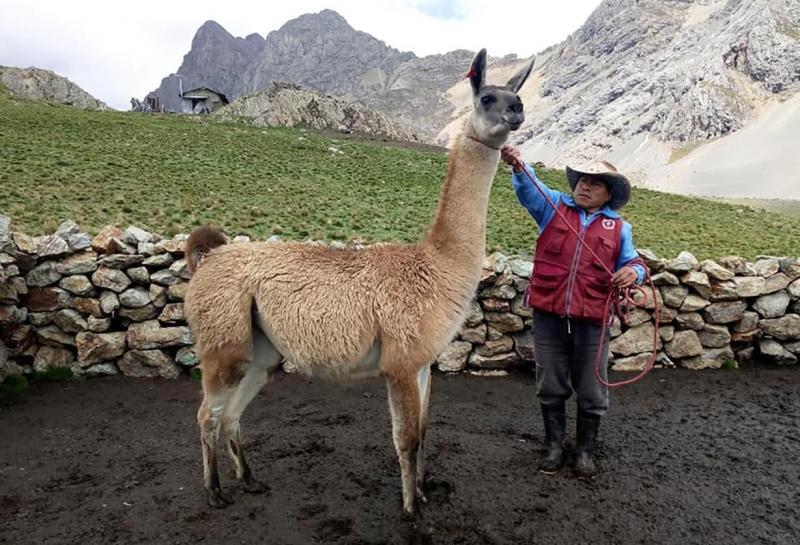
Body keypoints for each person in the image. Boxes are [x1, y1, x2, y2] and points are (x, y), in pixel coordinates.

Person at [500, 144, 646, 478]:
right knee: (549, 381)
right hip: (549, 316)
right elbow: (528, 188)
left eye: (594, 182)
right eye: (581, 179)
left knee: (592, 387)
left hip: (592, 321)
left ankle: (584, 451)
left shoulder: (620, 228)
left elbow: (635, 263)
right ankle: (553, 447)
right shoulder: (552, 207)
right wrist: (519, 166)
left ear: (608, 193)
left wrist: (633, 273)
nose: (584, 185)